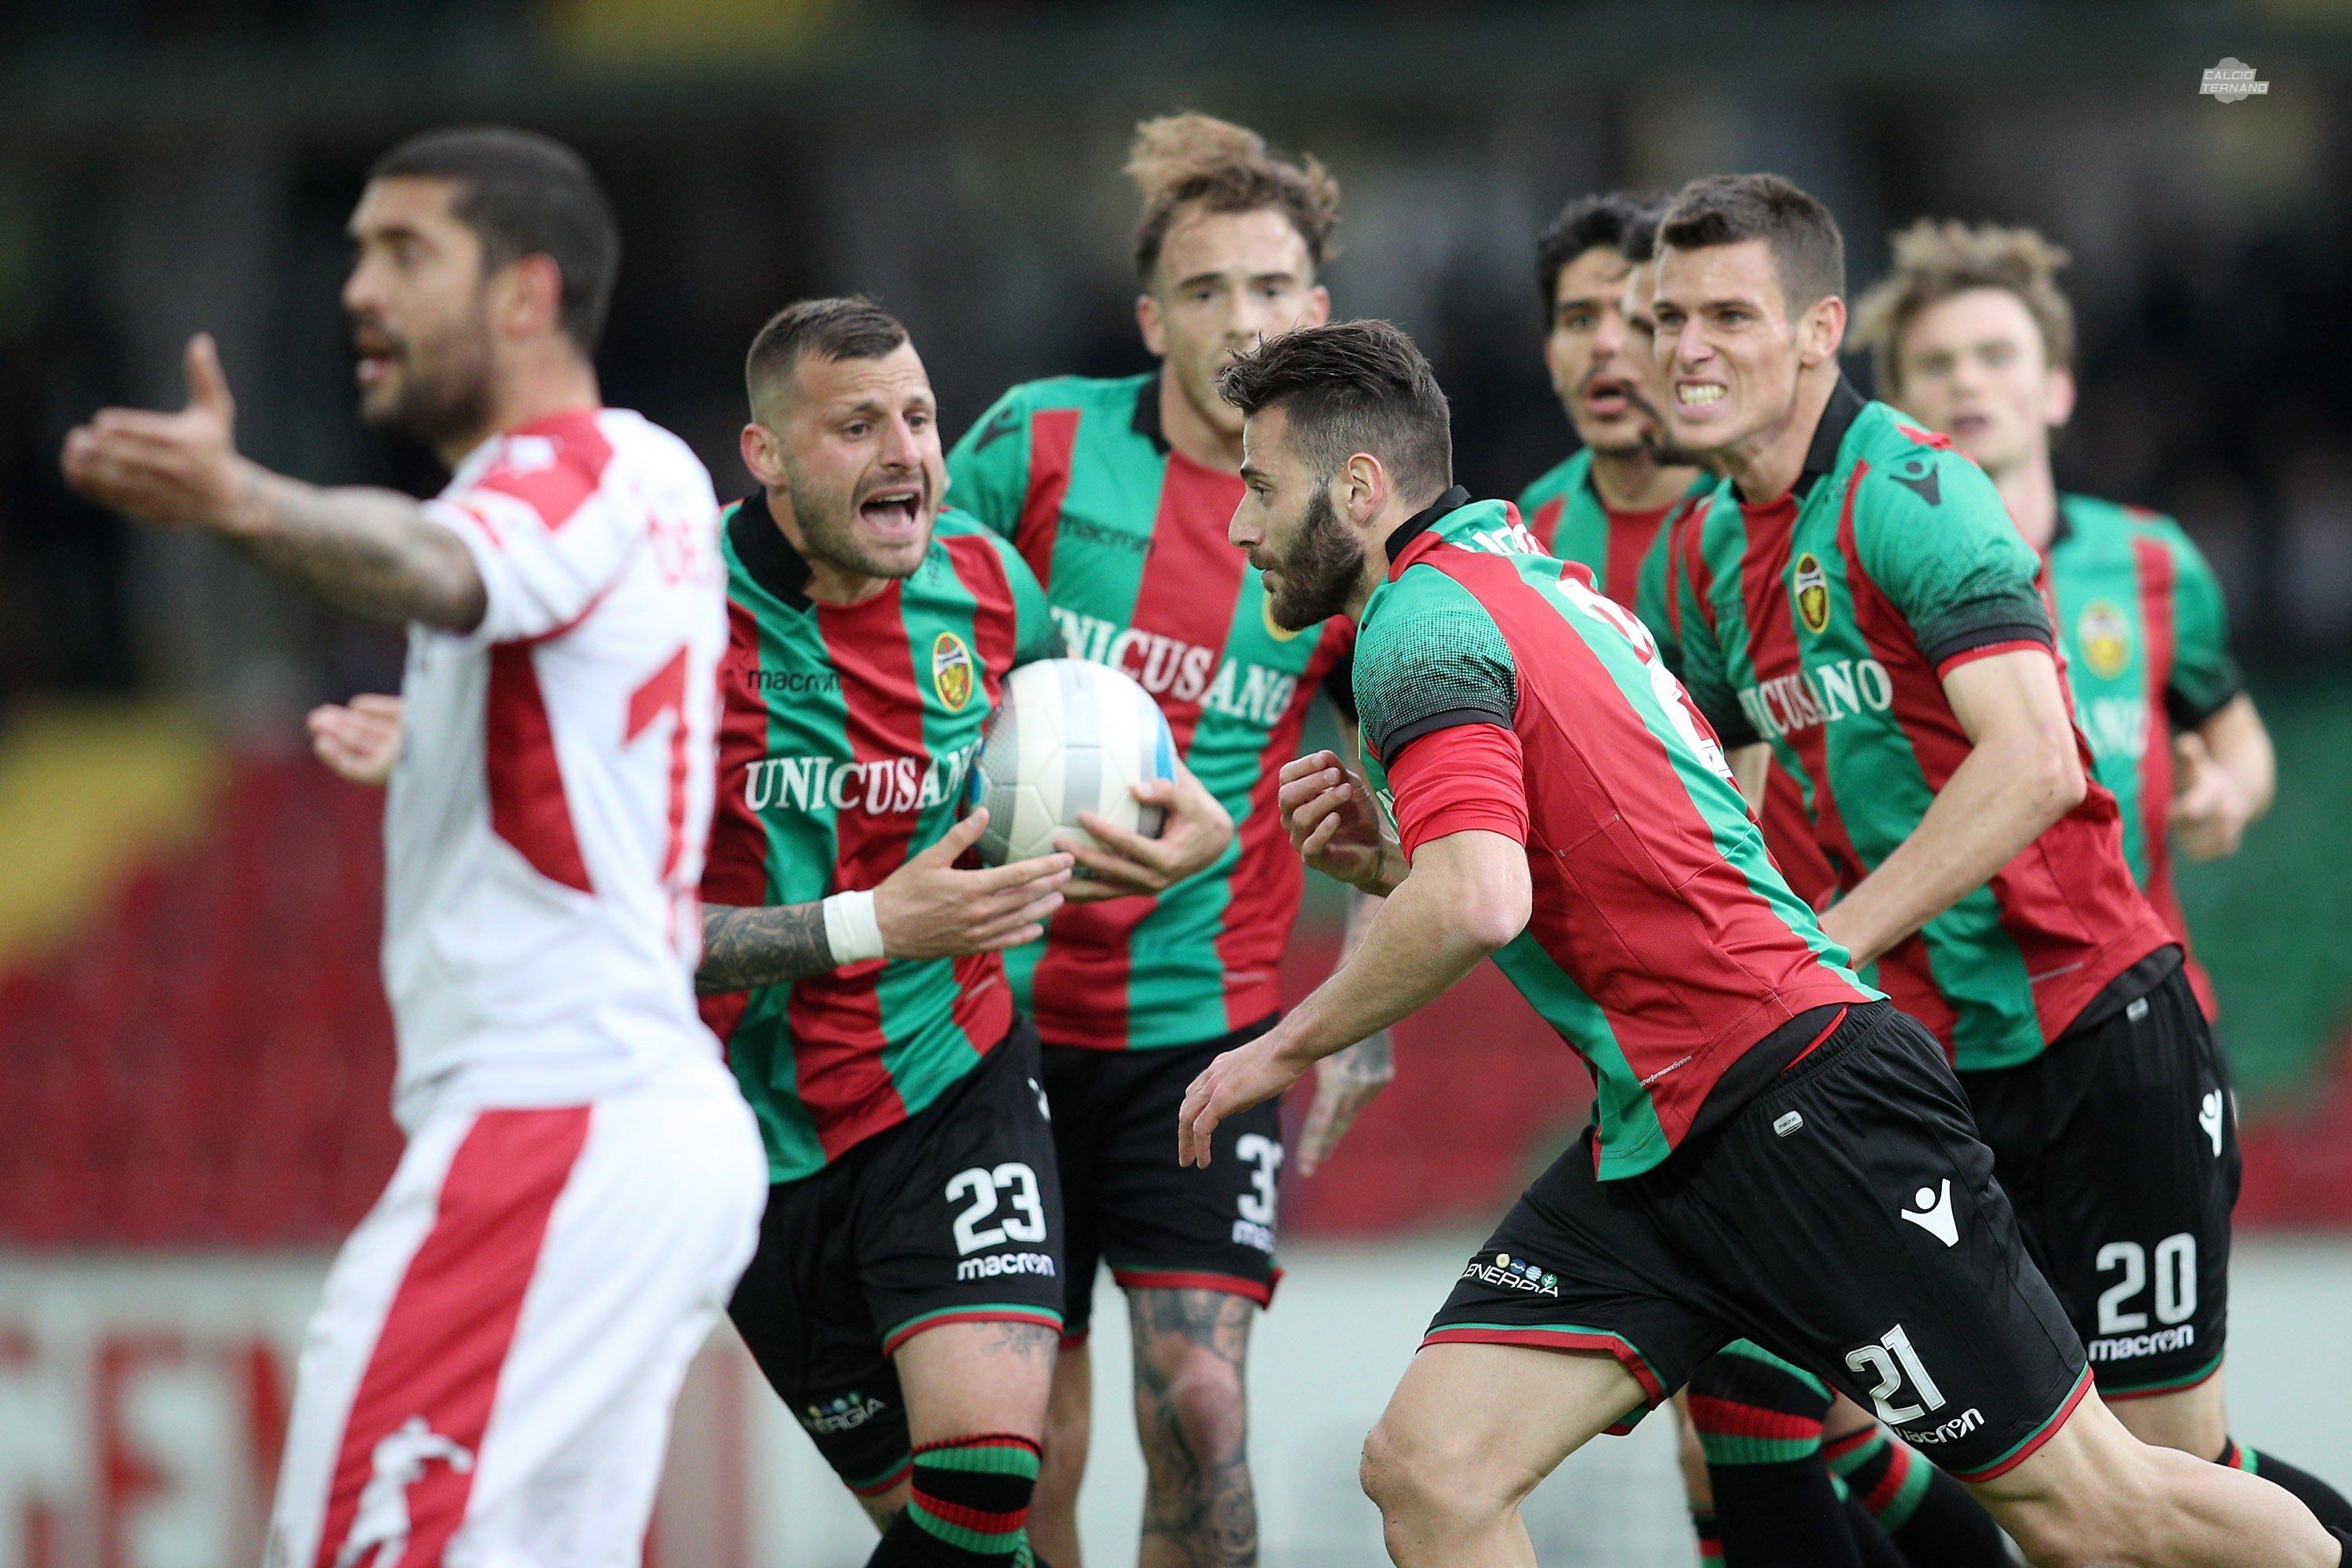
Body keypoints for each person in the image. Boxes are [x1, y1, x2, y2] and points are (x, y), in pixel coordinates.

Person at [1185, 315, 2344, 1568]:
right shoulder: (1526, 578)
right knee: (1431, 1469)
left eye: (1259, 487)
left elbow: (1481, 902)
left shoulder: (1419, 619)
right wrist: (1400, 848)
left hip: (1800, 1108)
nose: (1240, 526)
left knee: (2108, 1509)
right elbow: (1568, 853)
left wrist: (1279, 1048)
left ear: (1359, 490)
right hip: (1665, 1139)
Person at [61, 127, 768, 1568]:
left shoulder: (562, 470)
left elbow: (441, 569)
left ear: (527, 292)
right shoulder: (643, 483)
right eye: (356, 253)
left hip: (557, 1115)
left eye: (405, 253)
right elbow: (579, 719)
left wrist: (242, 501)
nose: (358, 293)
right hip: (631, 1117)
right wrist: (440, 753)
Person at [1848, 219, 2343, 1523]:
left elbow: (2231, 729)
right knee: (2039, 1481)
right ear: (1897, 400)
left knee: (2159, 1465)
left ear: (2057, 385)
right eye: (1937, 359)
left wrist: (2233, 785)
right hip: (1945, 1063)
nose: (1969, 381)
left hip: (2124, 1047)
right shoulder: (1857, 575)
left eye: (1998, 352)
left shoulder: (2150, 562)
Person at [943, 112, 1382, 1568]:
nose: (1241, 320)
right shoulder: (1042, 442)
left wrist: (1357, 1012)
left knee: (1199, 1402)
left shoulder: (1340, 515)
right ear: (1152, 317)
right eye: (1205, 291)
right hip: (996, 1023)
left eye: (1270, 290)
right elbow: (906, 632)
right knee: (1031, 1445)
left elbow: (1395, 779)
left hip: (1204, 1024)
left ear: (1316, 311)